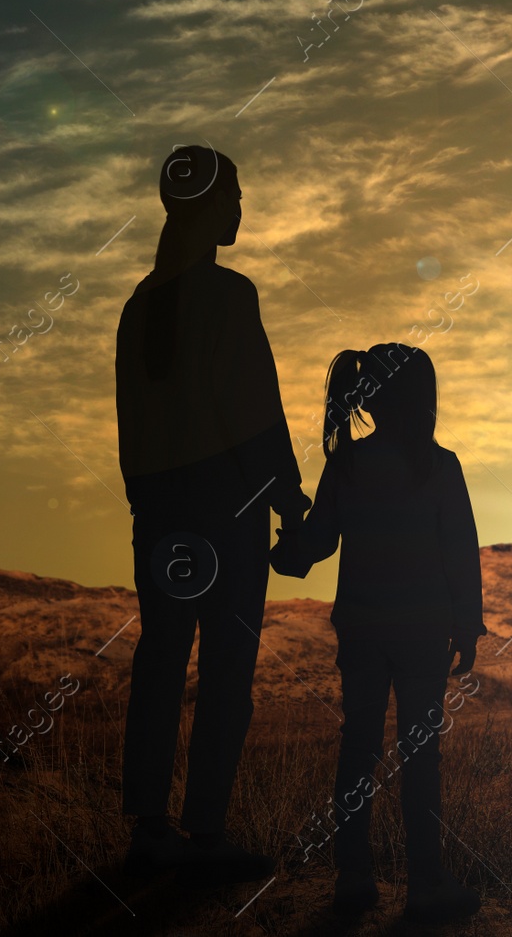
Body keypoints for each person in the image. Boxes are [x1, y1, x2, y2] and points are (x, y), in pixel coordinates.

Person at [114, 145, 310, 877]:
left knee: (160, 659)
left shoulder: (138, 308)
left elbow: (129, 428)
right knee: (228, 667)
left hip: (159, 508)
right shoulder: (230, 297)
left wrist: (147, 502)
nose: (240, 207)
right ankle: (205, 830)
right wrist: (289, 501)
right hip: (226, 504)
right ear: (205, 207)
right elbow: (254, 414)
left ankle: (147, 826)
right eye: (233, 195)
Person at [273, 342, 486, 921]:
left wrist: (283, 549)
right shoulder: (440, 467)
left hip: (362, 629)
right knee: (422, 756)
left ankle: (353, 877)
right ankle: (426, 883)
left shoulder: (346, 464)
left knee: (358, 747)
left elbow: (315, 544)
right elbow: (460, 550)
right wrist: (468, 622)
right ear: (424, 400)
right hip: (422, 632)